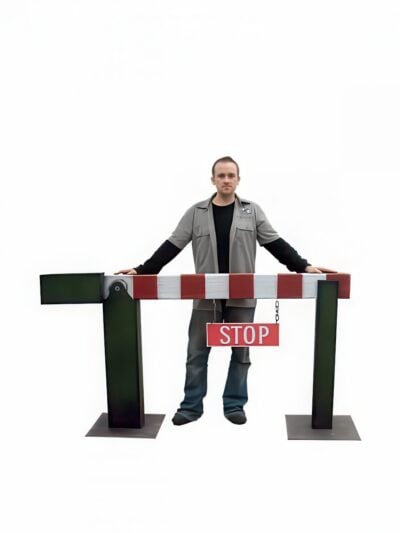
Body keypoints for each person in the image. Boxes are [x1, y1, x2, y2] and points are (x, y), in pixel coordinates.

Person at [116, 156, 335, 426]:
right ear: (213, 180)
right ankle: (191, 407)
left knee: (241, 354)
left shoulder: (252, 212)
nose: (226, 180)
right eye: (221, 175)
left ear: (238, 179)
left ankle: (234, 405)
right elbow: (172, 245)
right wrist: (142, 270)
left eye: (231, 175)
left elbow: (275, 243)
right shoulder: (196, 213)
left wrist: (303, 266)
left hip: (241, 298)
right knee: (196, 353)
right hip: (205, 299)